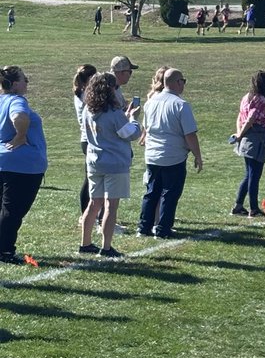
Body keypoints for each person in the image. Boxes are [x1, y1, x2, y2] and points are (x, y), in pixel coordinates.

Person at [79, 71, 141, 257]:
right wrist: (133, 118)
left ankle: (85, 243)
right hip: (114, 163)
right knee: (110, 206)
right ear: (110, 90)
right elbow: (131, 134)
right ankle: (106, 247)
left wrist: (125, 116)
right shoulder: (114, 113)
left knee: (93, 203)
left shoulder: (88, 109)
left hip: (94, 161)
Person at [139, 68, 202, 238]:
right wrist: (198, 155)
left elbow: (146, 129)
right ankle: (162, 229)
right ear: (177, 83)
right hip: (173, 156)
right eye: (183, 81)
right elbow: (190, 134)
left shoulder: (150, 102)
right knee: (169, 193)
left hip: (152, 154)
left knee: (151, 192)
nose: (183, 85)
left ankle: (144, 227)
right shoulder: (180, 105)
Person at [0, 65, 47, 263]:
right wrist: (20, 135)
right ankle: (5, 251)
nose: (27, 82)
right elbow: (18, 116)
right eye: (24, 79)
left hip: (3, 162)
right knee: (12, 210)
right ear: (15, 84)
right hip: (21, 165)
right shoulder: (16, 100)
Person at [232, 71, 265, 218]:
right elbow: (251, 119)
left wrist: (239, 135)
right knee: (254, 175)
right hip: (256, 139)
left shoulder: (245, 98)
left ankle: (238, 205)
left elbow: (240, 117)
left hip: (245, 139)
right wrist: (241, 134)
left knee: (249, 174)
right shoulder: (260, 99)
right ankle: (254, 209)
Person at [73, 64, 98, 212]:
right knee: (90, 180)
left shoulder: (80, 92)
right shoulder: (86, 95)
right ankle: (86, 214)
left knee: (90, 178)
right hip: (89, 139)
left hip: (86, 138)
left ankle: (89, 214)